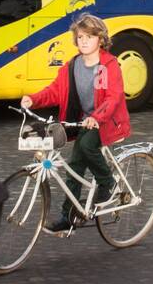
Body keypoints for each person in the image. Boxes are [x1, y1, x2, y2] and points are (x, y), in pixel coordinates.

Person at [20, 14, 130, 233]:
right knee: (74, 167)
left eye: (89, 36)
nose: (84, 41)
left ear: (100, 39)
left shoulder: (107, 66)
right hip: (83, 122)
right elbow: (55, 91)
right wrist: (34, 98)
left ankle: (108, 183)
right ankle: (68, 215)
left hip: (106, 122)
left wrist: (96, 118)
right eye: (80, 37)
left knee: (86, 146)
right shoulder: (73, 65)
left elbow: (113, 97)